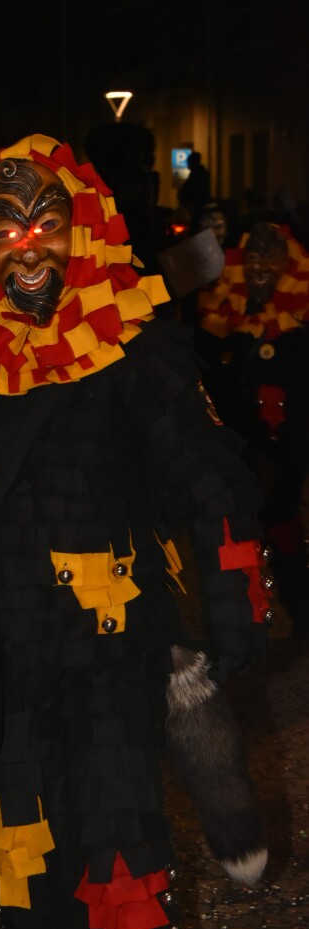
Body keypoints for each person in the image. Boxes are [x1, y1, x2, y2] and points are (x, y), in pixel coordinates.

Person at [0, 135, 270, 929]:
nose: (26, 247)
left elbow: (214, 485)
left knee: (117, 859)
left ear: (80, 237)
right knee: (26, 866)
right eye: (4, 232)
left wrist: (232, 621)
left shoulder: (133, 347)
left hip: (108, 661)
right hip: (1, 667)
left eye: (44, 227)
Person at [196, 220, 309, 634]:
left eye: (273, 257)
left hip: (283, 450)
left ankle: (298, 608)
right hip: (234, 449)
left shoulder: (301, 324)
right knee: (232, 536)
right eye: (254, 256)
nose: (261, 267)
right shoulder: (223, 318)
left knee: (281, 527)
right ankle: (242, 621)